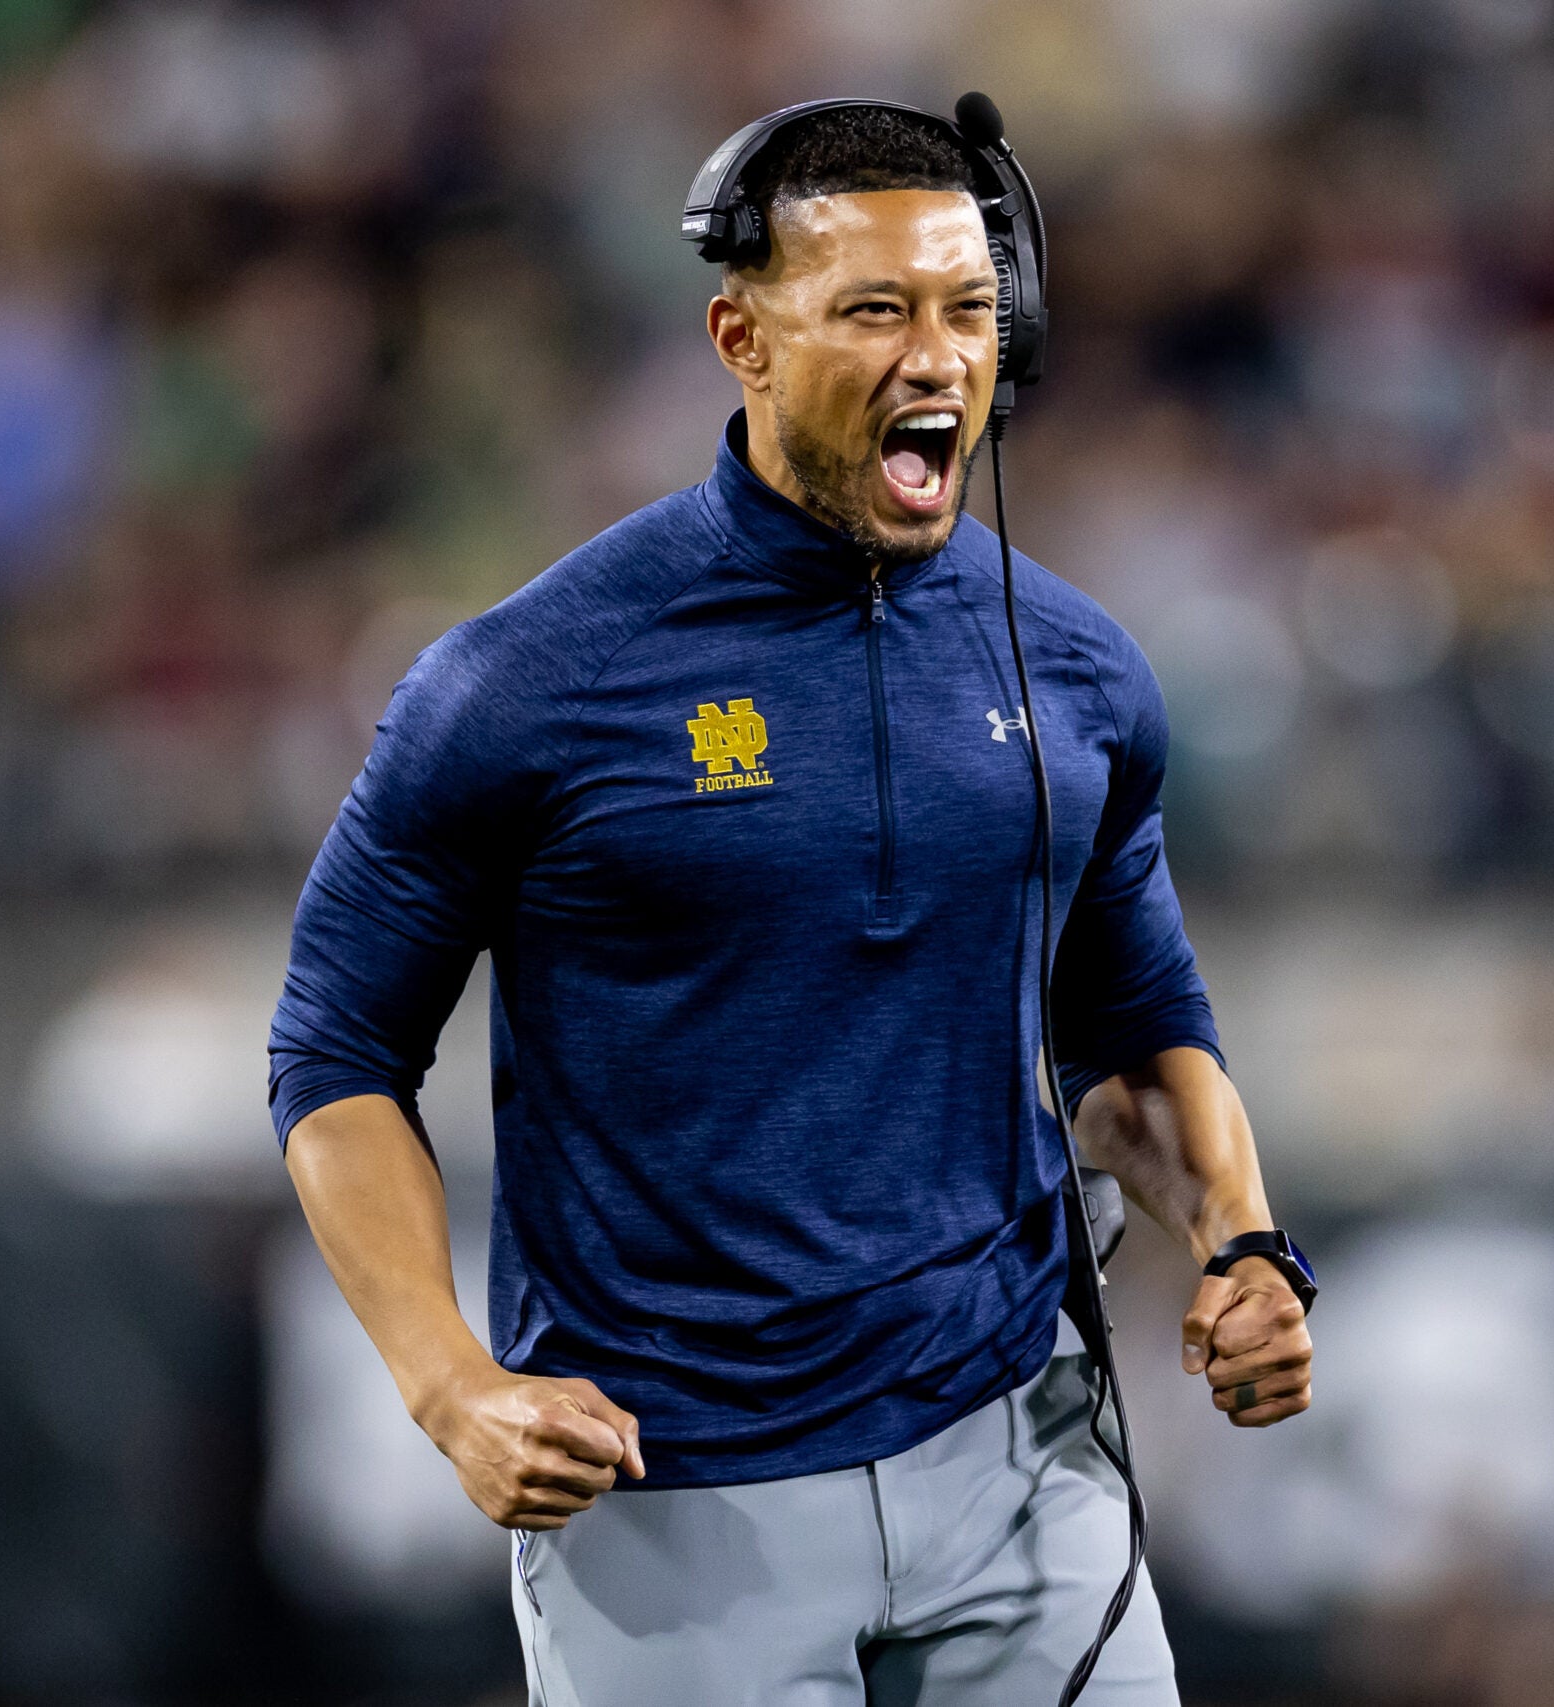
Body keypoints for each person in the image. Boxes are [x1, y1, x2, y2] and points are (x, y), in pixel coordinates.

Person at [268, 103, 1312, 1704]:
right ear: (741, 340)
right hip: (675, 1498)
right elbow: (335, 1055)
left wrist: (1240, 1239)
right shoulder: (525, 683)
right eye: (876, 310)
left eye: (970, 311)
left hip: (1022, 1461)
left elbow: (1135, 1032)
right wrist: (448, 1385)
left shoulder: (1078, 668)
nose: (937, 357)